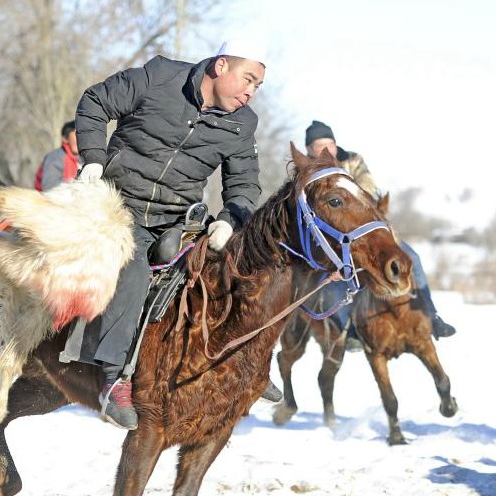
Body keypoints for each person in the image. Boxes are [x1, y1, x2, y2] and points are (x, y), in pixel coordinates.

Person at [74, 37, 268, 429]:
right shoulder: (160, 77)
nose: (251, 92)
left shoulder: (242, 124)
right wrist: (93, 159)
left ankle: (248, 362)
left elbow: (245, 184)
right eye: (248, 79)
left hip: (178, 218)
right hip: (117, 206)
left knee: (232, 268)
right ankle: (113, 378)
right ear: (221, 67)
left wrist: (230, 219)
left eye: (258, 87)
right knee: (133, 269)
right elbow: (95, 102)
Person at [304, 120, 456, 342]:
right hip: (331, 241)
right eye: (320, 145)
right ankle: (350, 332)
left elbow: (369, 189)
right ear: (309, 149)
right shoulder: (305, 172)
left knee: (413, 258)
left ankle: (432, 316)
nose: (327, 149)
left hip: (367, 232)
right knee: (333, 282)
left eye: (331, 143)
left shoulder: (352, 161)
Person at [34, 120, 83, 191]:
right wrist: (78, 187)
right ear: (65, 139)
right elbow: (49, 187)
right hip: (47, 200)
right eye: (77, 134)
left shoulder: (83, 158)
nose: (80, 139)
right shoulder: (55, 158)